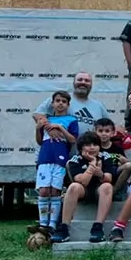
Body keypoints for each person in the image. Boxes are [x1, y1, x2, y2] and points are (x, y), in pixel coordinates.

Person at [52, 131, 117, 243]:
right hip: (84, 190)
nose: (92, 148)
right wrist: (92, 165)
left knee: (107, 186)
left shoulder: (106, 157)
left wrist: (100, 173)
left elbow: (108, 178)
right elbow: (83, 181)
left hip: (99, 190)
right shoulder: (75, 160)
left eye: (95, 144)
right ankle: (64, 228)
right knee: (73, 187)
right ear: (81, 148)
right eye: (88, 145)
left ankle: (97, 228)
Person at [30, 91, 79, 236]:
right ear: (52, 103)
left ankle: (52, 224)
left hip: (60, 158)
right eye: (57, 101)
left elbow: (72, 140)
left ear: (68, 105)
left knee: (55, 190)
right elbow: (39, 141)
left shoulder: (71, 120)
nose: (60, 104)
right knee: (44, 191)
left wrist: (60, 128)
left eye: (64, 101)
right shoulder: (47, 120)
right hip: (45, 157)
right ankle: (43, 223)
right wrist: (38, 128)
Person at [33, 72, 109, 136]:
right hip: (61, 149)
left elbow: (109, 125)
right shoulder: (61, 99)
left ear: (91, 85)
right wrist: (50, 129)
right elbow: (38, 114)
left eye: (87, 80)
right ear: (73, 83)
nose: (83, 82)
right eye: (79, 80)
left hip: (88, 151)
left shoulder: (98, 105)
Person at [94, 118, 131, 193]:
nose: (103, 134)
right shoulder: (93, 147)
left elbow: (125, 163)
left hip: (113, 172)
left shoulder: (117, 148)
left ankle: (115, 191)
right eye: (100, 131)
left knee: (129, 165)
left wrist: (125, 161)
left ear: (113, 133)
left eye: (107, 131)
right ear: (95, 132)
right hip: (98, 174)